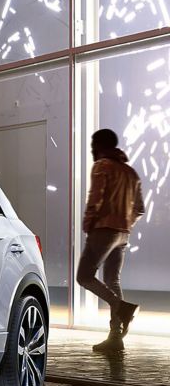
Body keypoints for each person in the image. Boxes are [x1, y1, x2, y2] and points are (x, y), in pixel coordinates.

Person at [76, 128, 145, 353]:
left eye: (93, 144)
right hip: (123, 233)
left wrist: (88, 224)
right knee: (112, 280)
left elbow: (95, 199)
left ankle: (120, 307)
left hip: (103, 229)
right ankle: (116, 338)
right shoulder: (131, 173)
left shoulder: (102, 166)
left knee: (84, 276)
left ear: (100, 145)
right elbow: (140, 209)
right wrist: (126, 222)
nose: (91, 148)